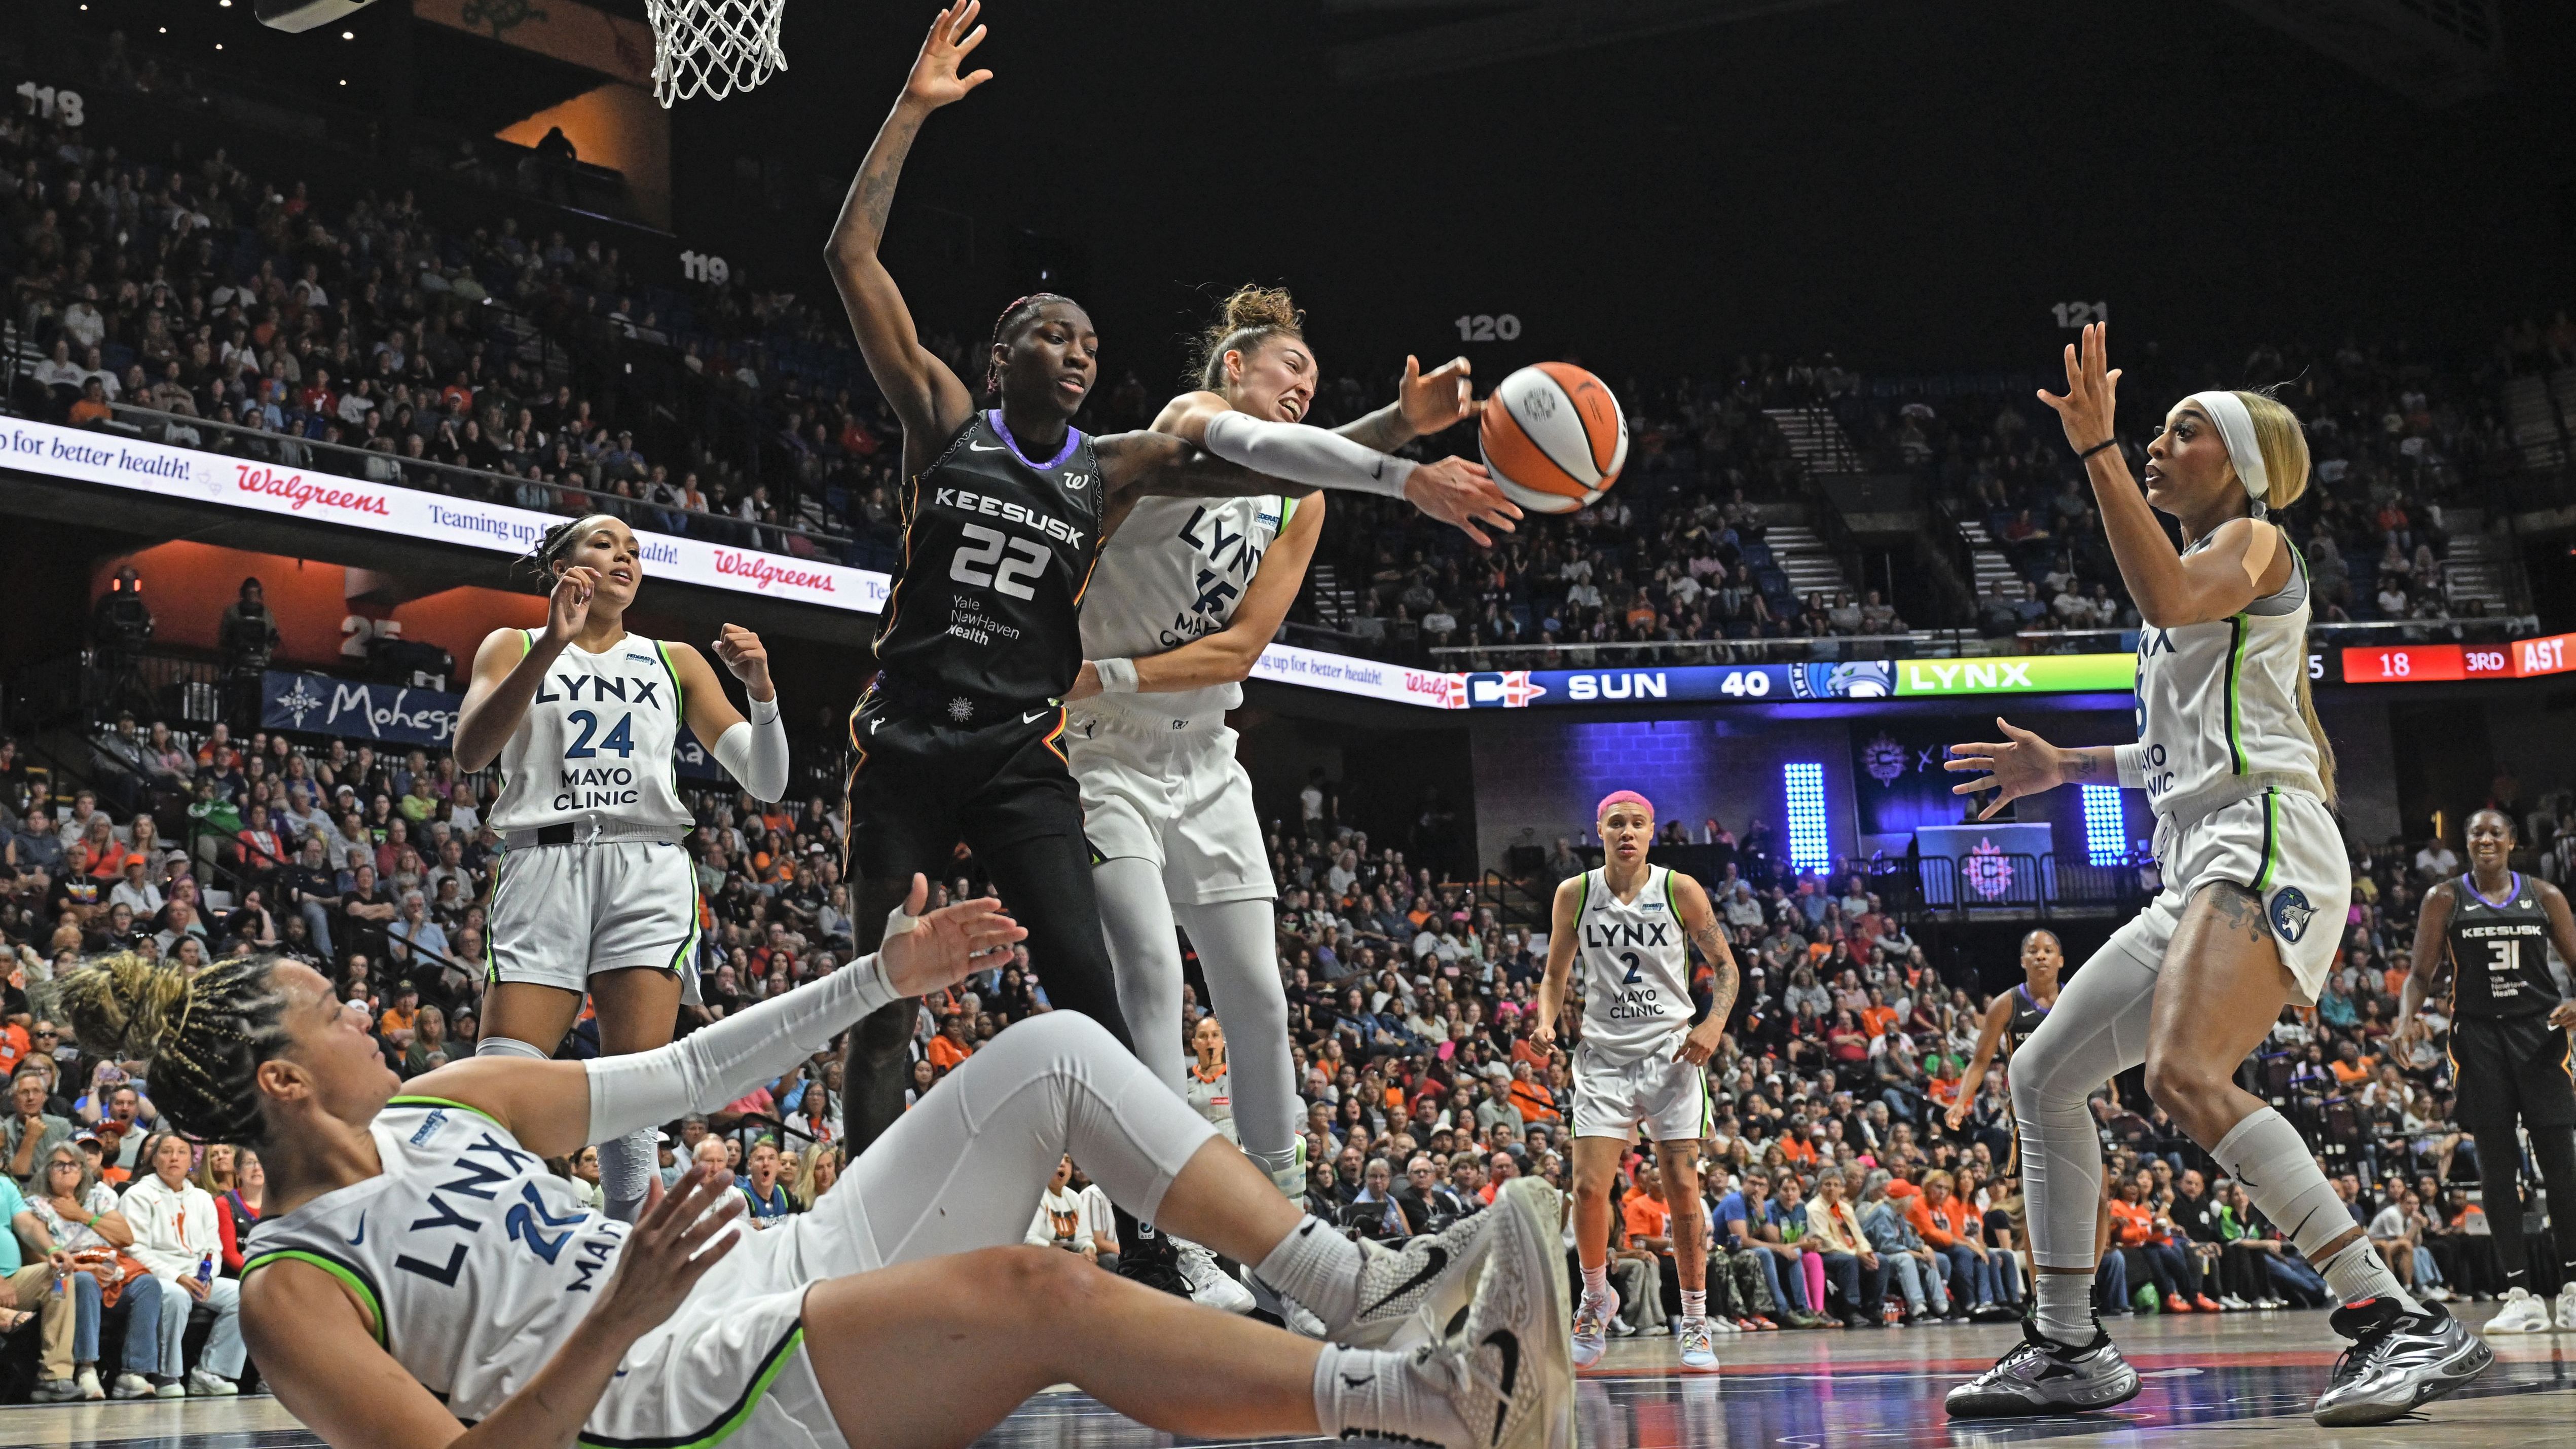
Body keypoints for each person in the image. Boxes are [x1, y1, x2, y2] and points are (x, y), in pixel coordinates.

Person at [820, 1, 1512, 1294]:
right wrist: (909, 111)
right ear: (998, 352)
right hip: (941, 741)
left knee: (1128, 987)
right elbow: (851, 256)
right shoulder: (947, 421)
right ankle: (856, 1258)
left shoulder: (1112, 471)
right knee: (897, 993)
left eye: (1090, 340)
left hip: (1039, 753)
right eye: (1053, 334)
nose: (1079, 354)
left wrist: (1393, 452)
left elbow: (1258, 464)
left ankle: (1184, 1242)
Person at [62, 878, 1570, 1449]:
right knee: (1032, 1284)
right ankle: (1429, 1400)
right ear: (279, 1076)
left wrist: (881, 974)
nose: (362, 1009)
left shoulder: (452, 1099)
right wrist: (614, 1307)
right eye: (330, 1011)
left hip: (745, 1280)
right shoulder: (290, 1286)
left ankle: (1359, 1289)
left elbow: (687, 1070)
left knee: (1046, 1055)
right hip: (656, 1398)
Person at [1942, 325, 2490, 1425]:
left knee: (2184, 1074)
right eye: (2153, 430)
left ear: (2239, 465)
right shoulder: (2195, 585)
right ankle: (2066, 1345)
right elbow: (2172, 750)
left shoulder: (2255, 544)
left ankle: (2395, 1318)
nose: (2157, 440)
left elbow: (2173, 602)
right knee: (2042, 1073)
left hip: (2268, 836)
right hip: (2199, 852)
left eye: (2182, 429)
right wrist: (2069, 764)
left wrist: (2096, 453)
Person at [1071, 282, 1478, 1307]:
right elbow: (1258, 448)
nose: (1303, 383)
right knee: (1152, 980)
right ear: (1231, 370)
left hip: (1205, 757)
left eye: (1315, 377)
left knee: (1260, 1003)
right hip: (1100, 752)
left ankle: (1288, 1248)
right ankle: (1181, 1236)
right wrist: (1404, 462)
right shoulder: (1183, 425)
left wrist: (1390, 442)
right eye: (1285, 367)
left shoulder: (1303, 495)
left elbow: (1243, 644)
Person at [453, 511, 791, 1227]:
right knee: (499, 1072)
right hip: (543, 858)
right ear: (562, 566)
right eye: (604, 543)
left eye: (634, 549)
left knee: (632, 1089)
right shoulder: (511, 643)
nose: (624, 557)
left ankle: (620, 1259)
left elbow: (766, 780)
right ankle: (476, 1239)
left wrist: (761, 691)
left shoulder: (675, 660)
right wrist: (551, 645)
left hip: (646, 861)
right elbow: (471, 752)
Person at [1536, 790, 1741, 1371]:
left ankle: (1696, 1320)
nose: (1627, 832)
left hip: (1673, 1056)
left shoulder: (1679, 890)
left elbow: (1726, 968)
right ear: (1597, 830)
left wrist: (1712, 1024)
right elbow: (1554, 974)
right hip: (1603, 1057)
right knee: (1587, 1189)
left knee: (1682, 1190)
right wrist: (1547, 1023)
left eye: (1638, 824)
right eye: (1615, 823)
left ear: (1653, 832)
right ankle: (1596, 1297)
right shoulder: (1575, 894)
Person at [2398, 806, 2576, 1333]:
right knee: (2498, 1168)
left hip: (2540, 1036)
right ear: (2466, 843)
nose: (2486, 839)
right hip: (2478, 1038)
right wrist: (2406, 1018)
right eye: (2476, 832)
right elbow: (2419, 974)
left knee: (2560, 1166)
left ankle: (2571, 1288)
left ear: (2513, 841)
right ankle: (2519, 1292)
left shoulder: (2545, 896)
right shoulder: (2444, 898)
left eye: (2496, 831)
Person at [21, 1140, 164, 1399]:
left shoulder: (97, 1198)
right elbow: (36, 1256)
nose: (67, 1170)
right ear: (46, 1171)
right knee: (84, 1281)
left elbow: (126, 1237)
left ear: (83, 1171)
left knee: (148, 1284)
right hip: (68, 1272)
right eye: (59, 1165)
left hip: (109, 1267)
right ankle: (86, 1369)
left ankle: (134, 1374)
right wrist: (82, 1266)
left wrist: (82, 1215)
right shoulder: (35, 1205)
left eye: (74, 1164)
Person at [121, 1130, 247, 1394]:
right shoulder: (138, 1195)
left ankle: (209, 1371)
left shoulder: (201, 1198)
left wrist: (207, 1277)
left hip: (196, 1276)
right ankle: (166, 1376)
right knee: (176, 1296)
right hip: (156, 1277)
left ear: (192, 1161)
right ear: (154, 1160)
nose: (174, 1158)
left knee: (242, 1294)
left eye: (182, 1152)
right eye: (166, 1152)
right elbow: (135, 1250)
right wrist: (177, 1277)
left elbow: (214, 1247)